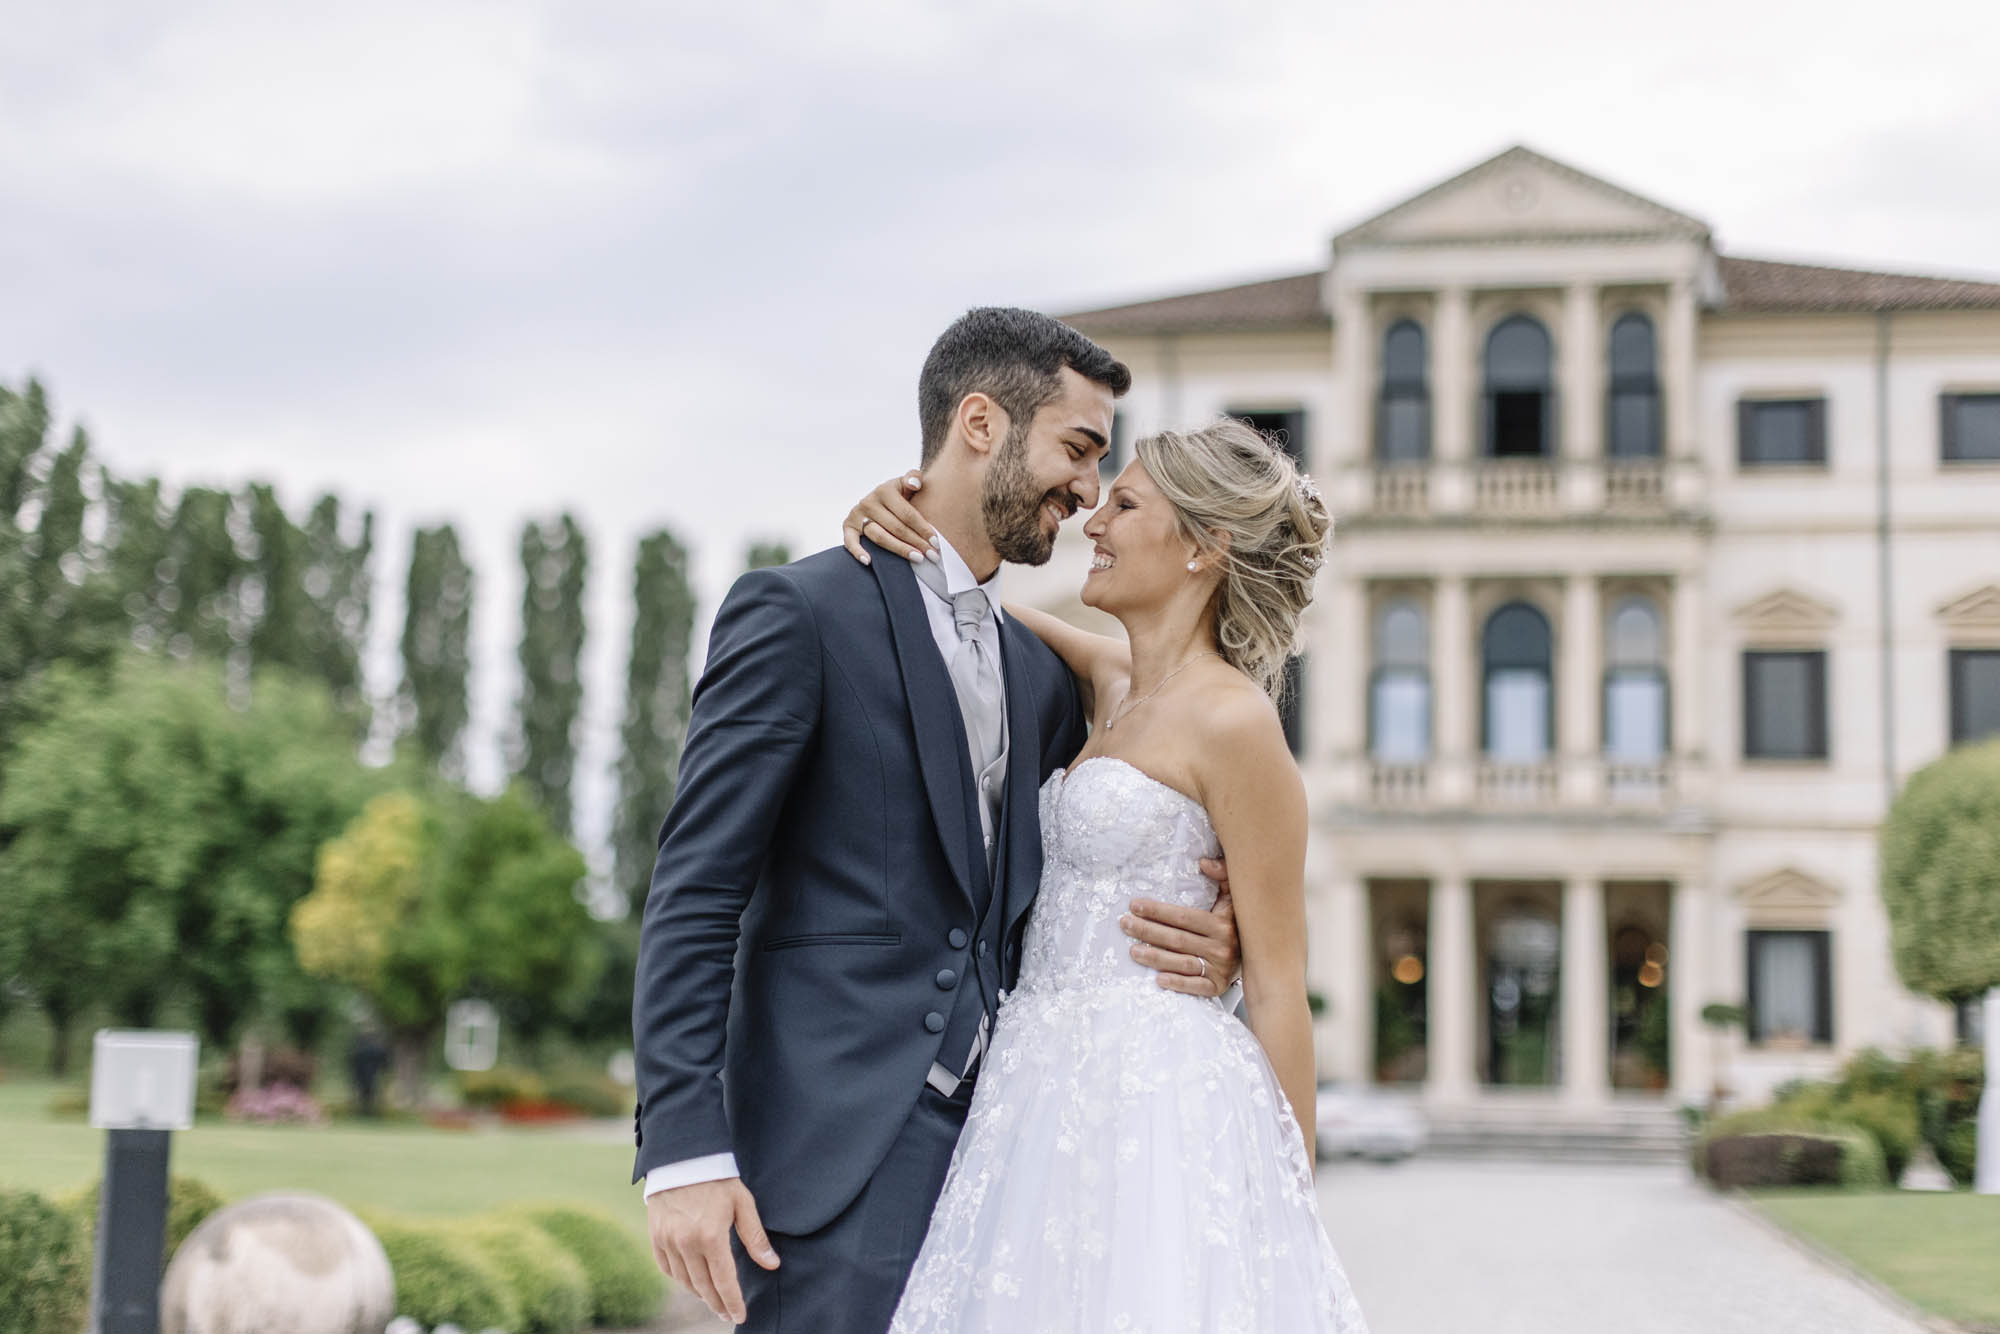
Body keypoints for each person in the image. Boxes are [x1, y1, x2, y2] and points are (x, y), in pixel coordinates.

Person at [631, 308, 1242, 1333]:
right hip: (830, 1161)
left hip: (1014, 1159)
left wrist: (1219, 935)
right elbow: (696, 889)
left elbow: (1141, 795)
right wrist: (684, 1150)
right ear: (978, 422)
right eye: (1077, 448)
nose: (1087, 490)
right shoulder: (800, 614)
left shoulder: (1045, 676)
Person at [844, 417, 1369, 1331]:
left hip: (1160, 1101)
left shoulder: (1237, 725)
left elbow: (1282, 987)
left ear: (1206, 546)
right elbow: (971, 607)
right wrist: (901, 520)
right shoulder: (1113, 682)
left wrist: (1283, 1208)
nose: (1095, 520)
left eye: (1124, 504)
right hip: (1036, 1086)